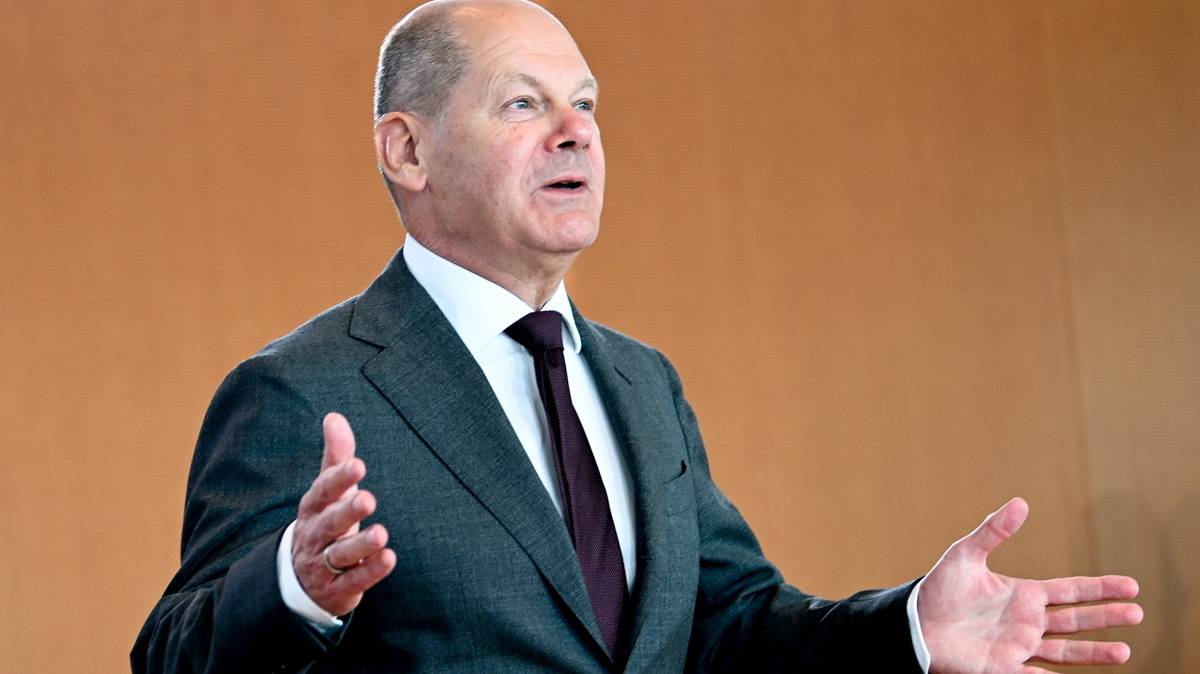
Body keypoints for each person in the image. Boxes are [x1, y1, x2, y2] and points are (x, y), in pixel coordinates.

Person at [132, 1, 1144, 672]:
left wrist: (910, 627)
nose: (575, 131)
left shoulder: (640, 382)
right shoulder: (301, 391)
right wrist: (292, 588)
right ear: (408, 149)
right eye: (524, 104)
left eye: (586, 105)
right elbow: (169, 654)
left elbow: (731, 622)